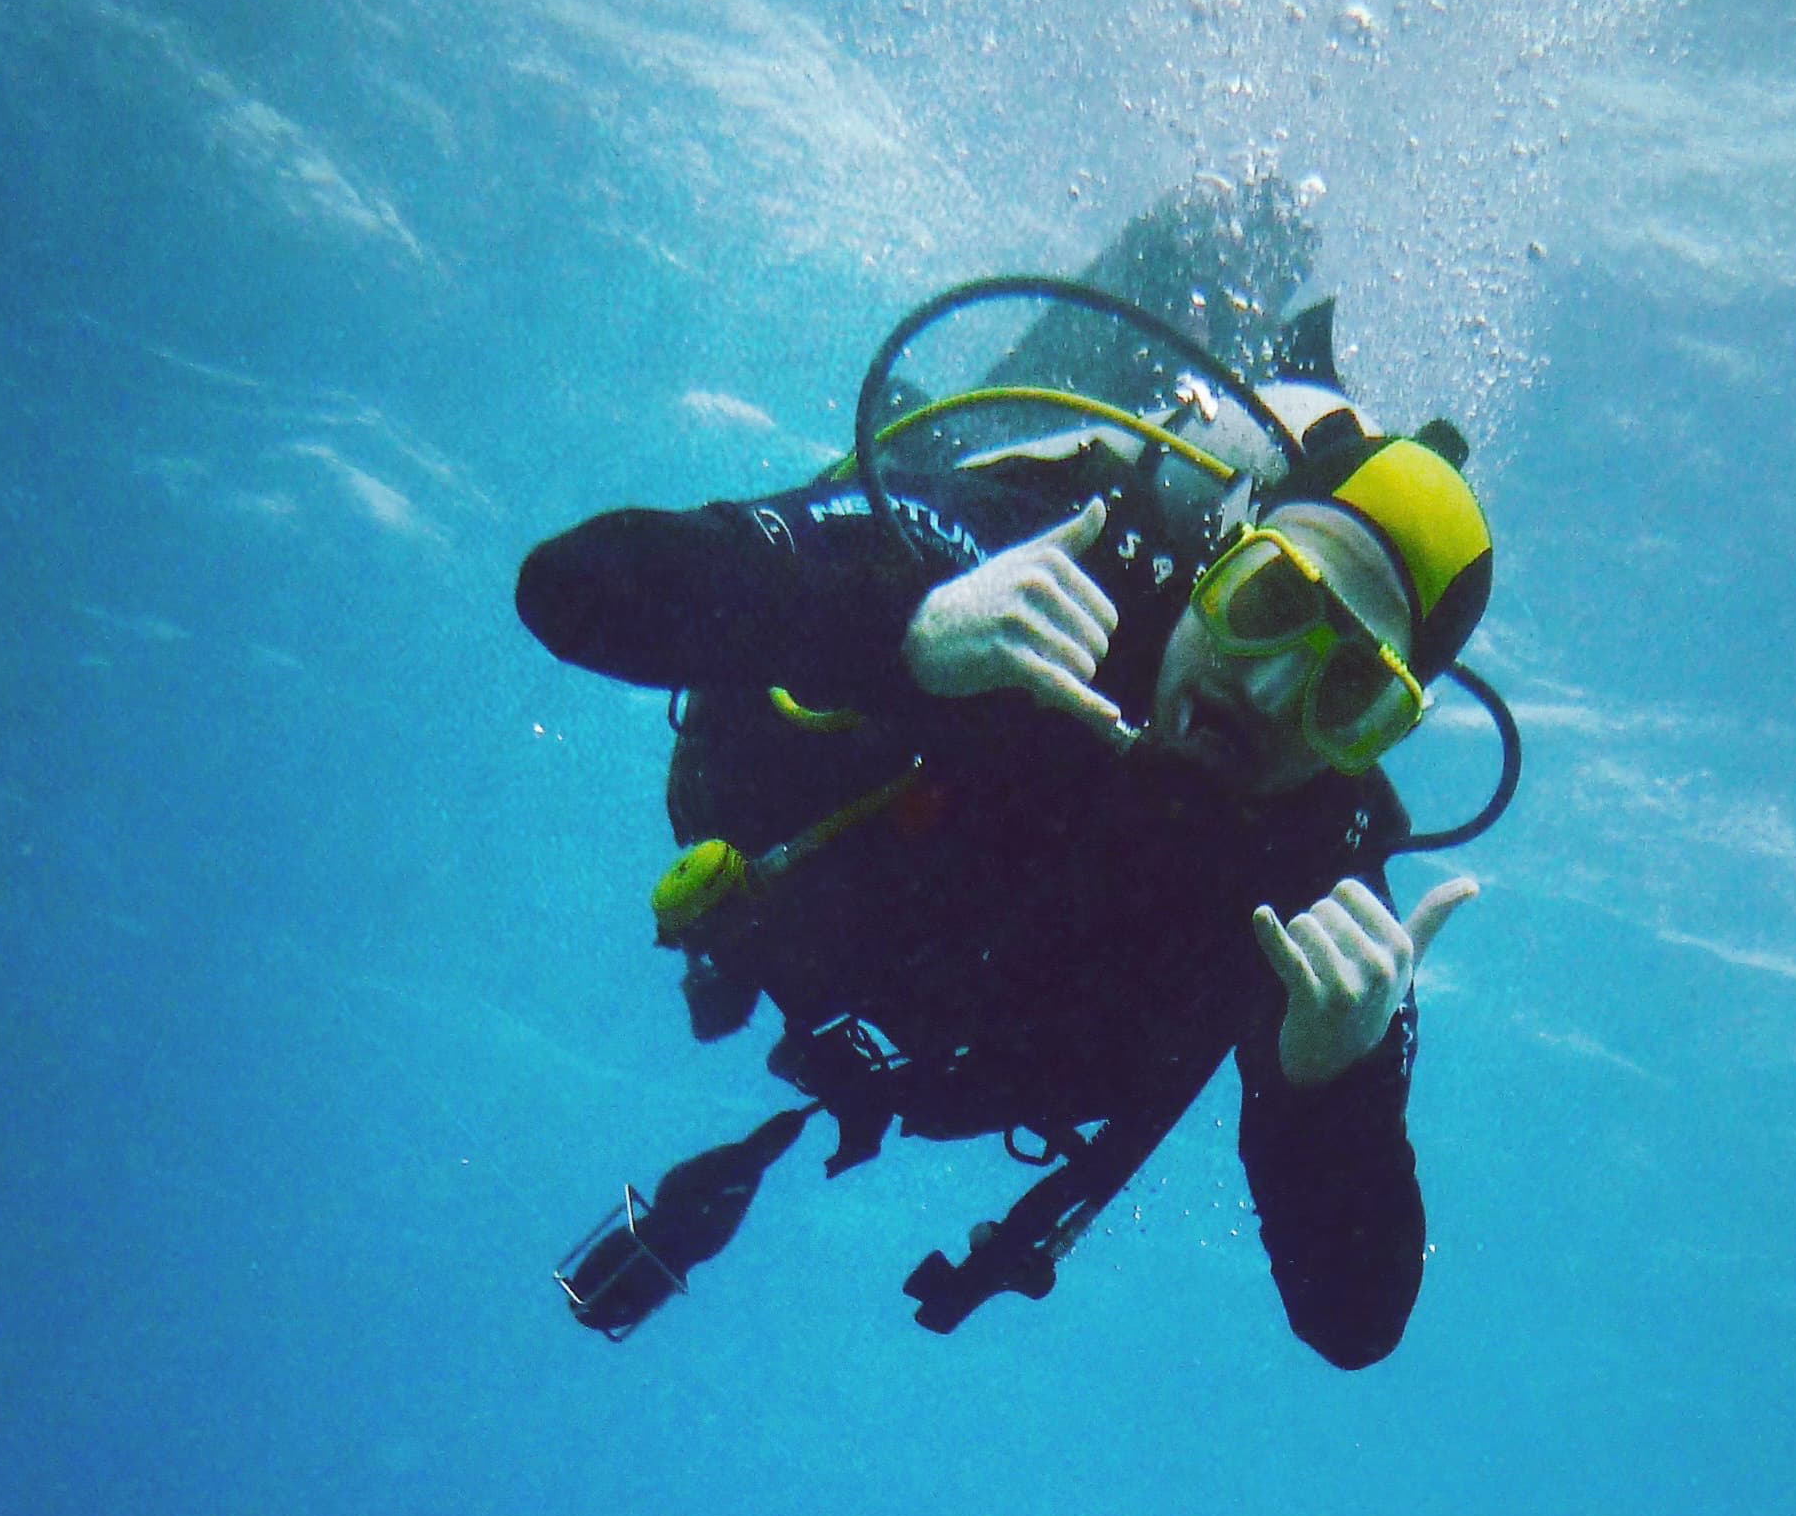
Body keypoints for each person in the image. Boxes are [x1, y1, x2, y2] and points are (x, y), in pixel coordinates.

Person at [515, 370, 1498, 1367]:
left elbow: (1353, 1318)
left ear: (1381, 730)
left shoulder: (1320, 879)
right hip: (771, 866)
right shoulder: (1030, 548)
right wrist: (897, 625)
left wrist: (1328, 1085)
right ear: (1218, 561)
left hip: (930, 1047)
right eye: (1272, 598)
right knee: (1027, 397)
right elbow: (573, 584)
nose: (1269, 683)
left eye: (1349, 687)